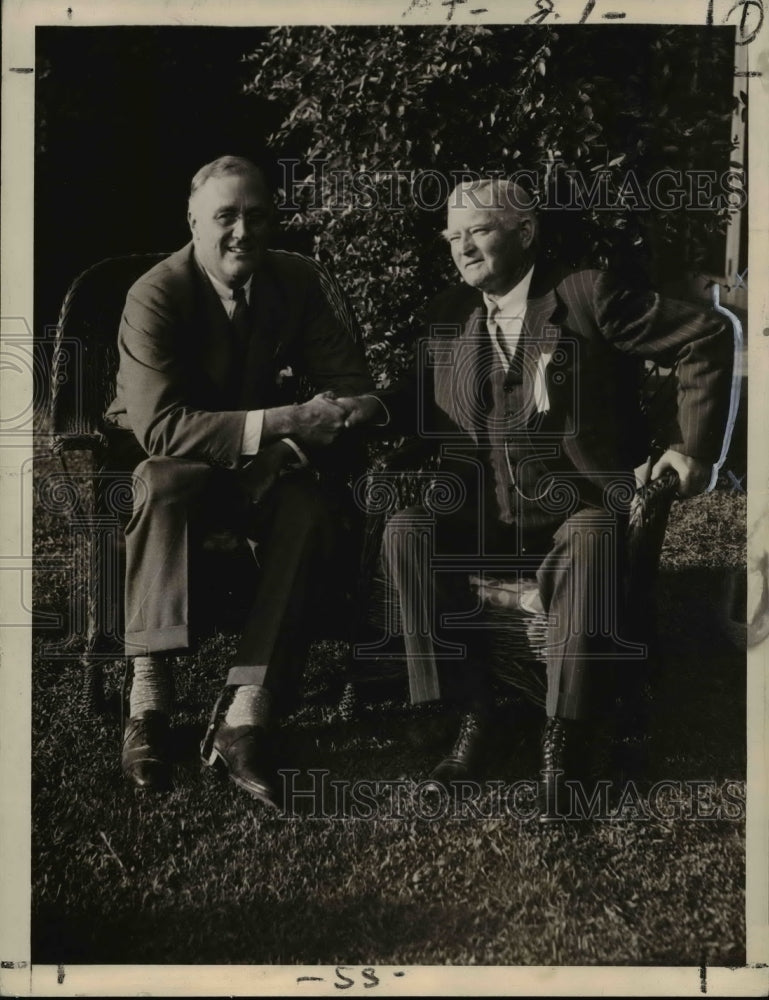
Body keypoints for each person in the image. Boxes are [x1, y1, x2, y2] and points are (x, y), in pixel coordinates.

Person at [335, 178, 733, 813]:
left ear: (525, 231)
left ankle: (564, 739)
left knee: (595, 535)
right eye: (453, 237)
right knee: (407, 525)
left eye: (480, 231)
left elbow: (706, 334)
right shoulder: (449, 312)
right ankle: (474, 710)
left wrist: (691, 447)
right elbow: (416, 404)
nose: (464, 248)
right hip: (483, 512)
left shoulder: (584, 295)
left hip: (577, 505)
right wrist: (361, 409)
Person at [105, 155, 372, 803]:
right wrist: (285, 422)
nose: (241, 232)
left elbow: (353, 390)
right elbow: (163, 428)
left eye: (256, 215)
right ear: (194, 222)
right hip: (157, 463)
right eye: (224, 216)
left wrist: (330, 417)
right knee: (163, 480)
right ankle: (149, 699)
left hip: (252, 469)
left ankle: (244, 710)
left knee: (307, 506)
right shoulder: (157, 293)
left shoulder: (294, 282)